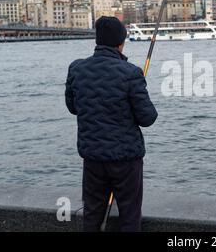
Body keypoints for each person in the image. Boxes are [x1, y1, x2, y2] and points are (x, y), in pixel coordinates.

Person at [65, 16, 158, 232]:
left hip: (93, 156)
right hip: (125, 159)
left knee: (92, 214)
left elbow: (73, 107)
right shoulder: (131, 73)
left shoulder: (77, 69)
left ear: (97, 41)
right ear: (121, 42)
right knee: (129, 215)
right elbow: (148, 118)